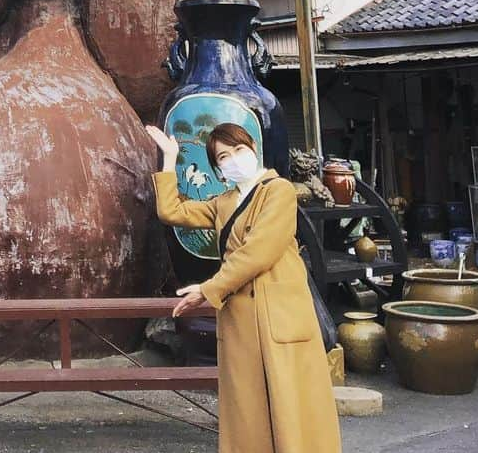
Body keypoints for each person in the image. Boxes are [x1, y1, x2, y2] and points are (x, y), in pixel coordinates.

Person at [145, 121, 341, 453]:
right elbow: (171, 210)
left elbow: (257, 252)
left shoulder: (278, 191)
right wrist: (170, 158)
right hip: (241, 319)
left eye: (238, 149)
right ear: (218, 167)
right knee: (249, 410)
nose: (233, 159)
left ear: (252, 147)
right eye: (223, 156)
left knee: (293, 407)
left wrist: (208, 289)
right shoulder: (223, 202)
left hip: (278, 314)